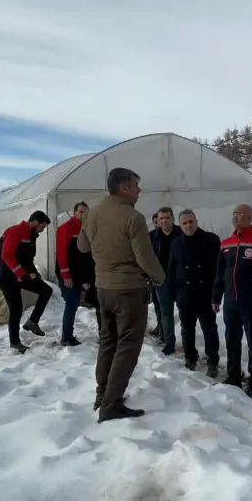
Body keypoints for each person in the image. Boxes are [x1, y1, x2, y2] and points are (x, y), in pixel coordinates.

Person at [78, 167, 165, 423]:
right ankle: (111, 404)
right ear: (124, 187)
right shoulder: (133, 217)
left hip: (103, 289)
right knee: (127, 346)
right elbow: (144, 257)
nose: (139, 189)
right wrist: (161, 277)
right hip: (128, 289)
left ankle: (102, 395)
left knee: (108, 342)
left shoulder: (92, 214)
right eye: (136, 185)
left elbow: (82, 246)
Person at [213, 204, 252, 397]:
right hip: (231, 300)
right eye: (233, 214)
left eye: (239, 215)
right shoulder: (226, 243)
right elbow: (220, 273)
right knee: (232, 339)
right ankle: (234, 375)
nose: (235, 218)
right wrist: (216, 296)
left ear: (249, 218)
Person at [167, 210, 220, 377]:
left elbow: (217, 268)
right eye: (184, 223)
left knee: (209, 329)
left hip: (205, 293)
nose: (188, 225)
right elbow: (172, 268)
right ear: (180, 225)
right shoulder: (176, 243)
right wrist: (172, 292)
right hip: (185, 293)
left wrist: (216, 293)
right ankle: (190, 357)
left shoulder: (211, 239)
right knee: (187, 329)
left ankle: (213, 360)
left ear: (196, 221)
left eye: (191, 221)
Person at [0, 211, 53, 353]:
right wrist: (21, 273)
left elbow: (28, 259)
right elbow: (7, 255)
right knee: (16, 308)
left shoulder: (31, 236)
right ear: (36, 222)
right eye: (42, 227)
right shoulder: (15, 231)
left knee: (46, 290)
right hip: (7, 276)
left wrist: (34, 274)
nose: (42, 230)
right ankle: (14, 342)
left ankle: (32, 322)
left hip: (22, 275)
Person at [55, 201, 100, 346]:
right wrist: (66, 275)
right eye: (81, 212)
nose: (84, 214)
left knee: (86, 302)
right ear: (74, 213)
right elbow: (61, 253)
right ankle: (66, 337)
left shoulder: (88, 228)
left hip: (82, 272)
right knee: (72, 303)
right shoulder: (66, 228)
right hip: (69, 273)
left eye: (86, 212)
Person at [150, 207, 181, 356]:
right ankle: (169, 343)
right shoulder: (153, 236)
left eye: (167, 218)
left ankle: (189, 344)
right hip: (161, 279)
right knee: (166, 313)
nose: (164, 221)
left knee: (185, 313)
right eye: (161, 218)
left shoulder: (182, 233)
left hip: (181, 280)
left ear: (173, 219)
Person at [148, 212, 164, 341]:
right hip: (153, 275)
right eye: (155, 221)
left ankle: (164, 330)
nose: (156, 223)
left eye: (157, 221)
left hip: (164, 275)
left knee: (164, 305)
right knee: (157, 304)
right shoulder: (151, 236)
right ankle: (160, 325)